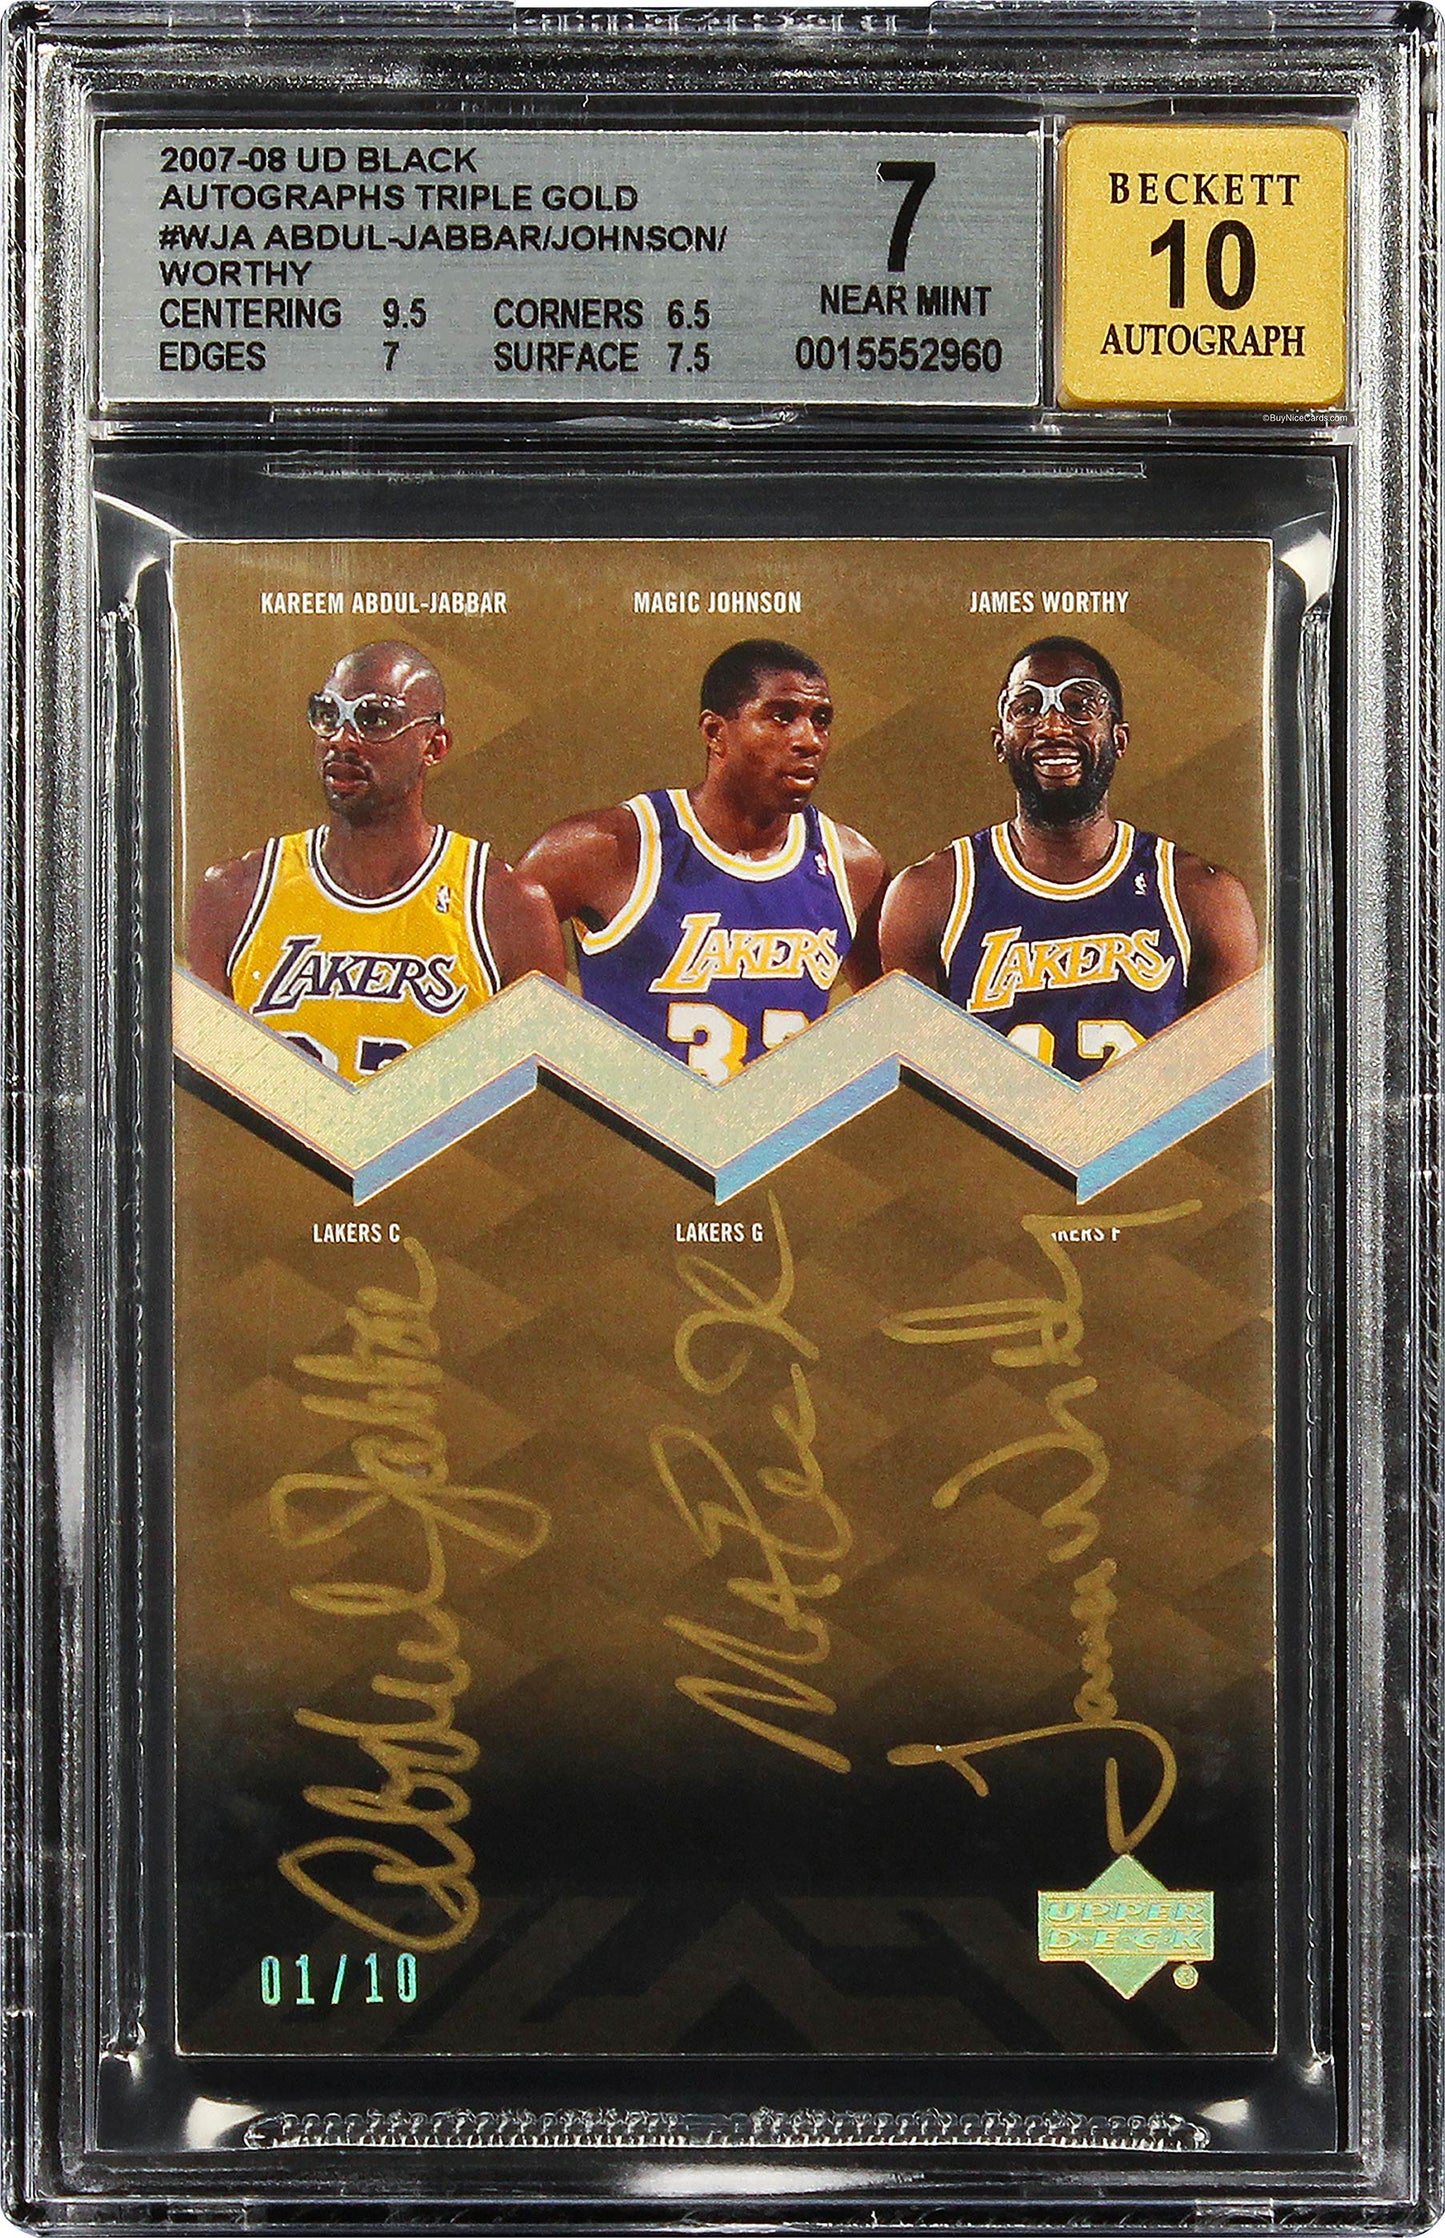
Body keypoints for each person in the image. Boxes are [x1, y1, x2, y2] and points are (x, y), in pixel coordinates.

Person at [880, 636, 1259, 1079]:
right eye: (1027, 708)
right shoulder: (929, 895)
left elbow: (1222, 1096)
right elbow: (921, 1097)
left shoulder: (1201, 895)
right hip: (991, 1129)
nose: (1053, 728)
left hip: (1143, 1128)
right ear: (1000, 741)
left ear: (1119, 738)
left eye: (1080, 706)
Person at [186, 640, 565, 1081]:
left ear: (434, 745)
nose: (342, 740)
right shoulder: (236, 896)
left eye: (375, 719)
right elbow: (201, 1099)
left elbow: (537, 1105)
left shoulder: (505, 907)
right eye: (328, 715)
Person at [518, 640, 888, 1083]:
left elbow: (895, 1029)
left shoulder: (853, 866)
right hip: (638, 1124)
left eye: (821, 720)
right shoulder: (605, 848)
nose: (809, 740)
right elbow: (492, 1000)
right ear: (715, 733)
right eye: (782, 716)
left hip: (782, 1126)